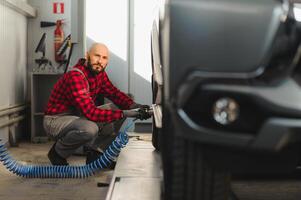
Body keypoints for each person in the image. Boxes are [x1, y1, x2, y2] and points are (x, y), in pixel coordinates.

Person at [43, 43, 151, 166]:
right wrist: (128, 113)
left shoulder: (99, 74)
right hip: (56, 120)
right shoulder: (76, 76)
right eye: (97, 56)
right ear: (87, 55)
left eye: (104, 58)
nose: (100, 61)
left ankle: (95, 153)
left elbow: (114, 93)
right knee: (90, 129)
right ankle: (57, 153)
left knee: (126, 101)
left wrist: (136, 106)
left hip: (76, 117)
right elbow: (90, 113)